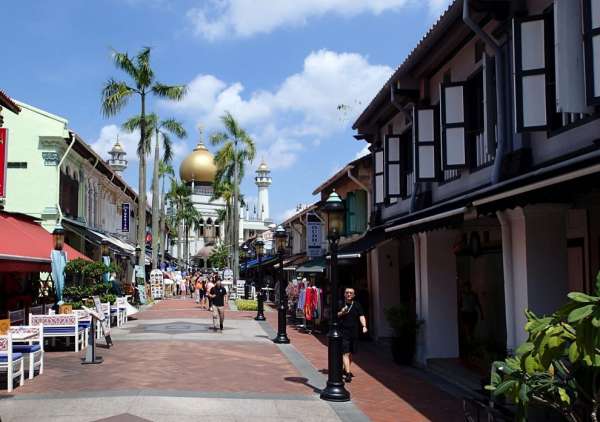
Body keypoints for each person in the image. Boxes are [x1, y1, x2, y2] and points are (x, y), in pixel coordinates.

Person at [338, 287, 367, 383]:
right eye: (347, 292)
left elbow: (361, 316)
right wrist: (342, 312)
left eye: (351, 293)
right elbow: (335, 316)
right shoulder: (340, 304)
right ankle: (348, 373)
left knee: (350, 353)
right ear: (344, 294)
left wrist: (364, 326)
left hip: (354, 332)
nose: (349, 294)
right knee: (345, 352)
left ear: (354, 295)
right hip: (343, 331)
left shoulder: (357, 305)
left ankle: (345, 369)